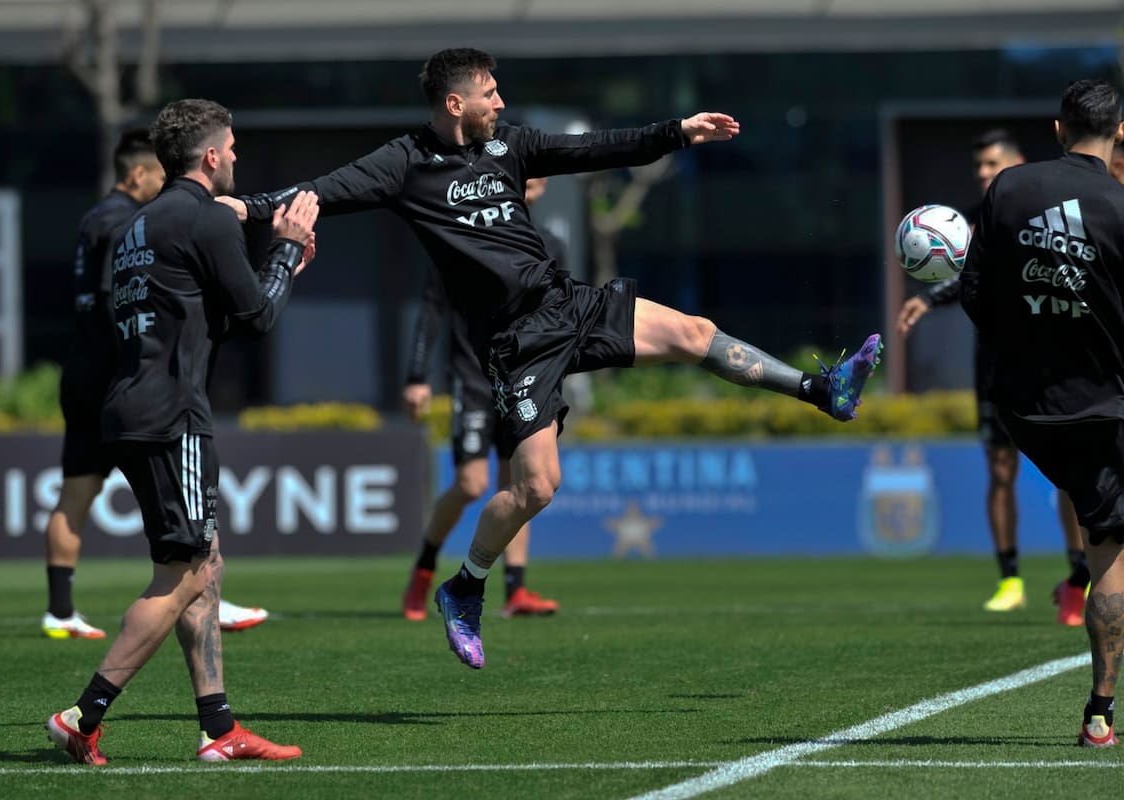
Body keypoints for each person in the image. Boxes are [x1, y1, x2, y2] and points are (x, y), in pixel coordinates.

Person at [220, 47, 883, 670]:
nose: (500, 102)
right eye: (489, 92)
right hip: (516, 346)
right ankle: (466, 587)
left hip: (566, 303)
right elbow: (316, 194)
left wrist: (677, 132)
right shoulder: (403, 163)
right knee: (537, 487)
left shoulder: (512, 146)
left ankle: (823, 391)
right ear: (455, 104)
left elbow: (594, 148)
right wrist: (242, 208)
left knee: (693, 331)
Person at [46, 99, 317, 765]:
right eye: (234, 148)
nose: (237, 159)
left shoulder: (142, 223)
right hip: (172, 417)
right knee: (188, 570)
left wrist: (273, 268)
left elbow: (195, 317)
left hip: (134, 406)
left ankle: (218, 728)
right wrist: (285, 253)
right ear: (213, 156)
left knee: (204, 561)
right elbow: (255, 318)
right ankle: (84, 714)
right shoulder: (203, 218)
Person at [43, 129, 270, 639]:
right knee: (185, 514)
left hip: (81, 371)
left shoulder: (91, 219)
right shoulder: (129, 224)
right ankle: (201, 586)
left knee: (76, 491)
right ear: (136, 173)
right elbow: (121, 299)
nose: (160, 185)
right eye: (154, 175)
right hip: (125, 374)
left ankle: (59, 611)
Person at [961, 78, 1124, 748]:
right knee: (1110, 548)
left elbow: (974, 292)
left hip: (1024, 406)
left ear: (1057, 129)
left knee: (1083, 505)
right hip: (1103, 406)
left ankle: (1060, 568)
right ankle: (1100, 712)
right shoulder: (1120, 205)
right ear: (1117, 135)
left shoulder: (1009, 189)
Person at [896, 128, 1089, 625]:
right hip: (995, 367)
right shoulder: (966, 222)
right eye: (978, 166)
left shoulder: (1041, 213)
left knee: (1069, 476)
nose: (983, 173)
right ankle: (1010, 580)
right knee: (1000, 472)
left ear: (1017, 162)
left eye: (991, 164)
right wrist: (929, 295)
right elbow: (969, 273)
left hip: (1048, 362)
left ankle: (1079, 579)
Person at [401, 177, 563, 621]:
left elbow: (560, 315)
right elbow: (432, 309)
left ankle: (516, 589)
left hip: (523, 379)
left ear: (541, 186)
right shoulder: (460, 234)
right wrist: (417, 376)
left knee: (522, 482)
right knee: (471, 483)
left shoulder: (549, 244)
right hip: (472, 378)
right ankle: (423, 569)